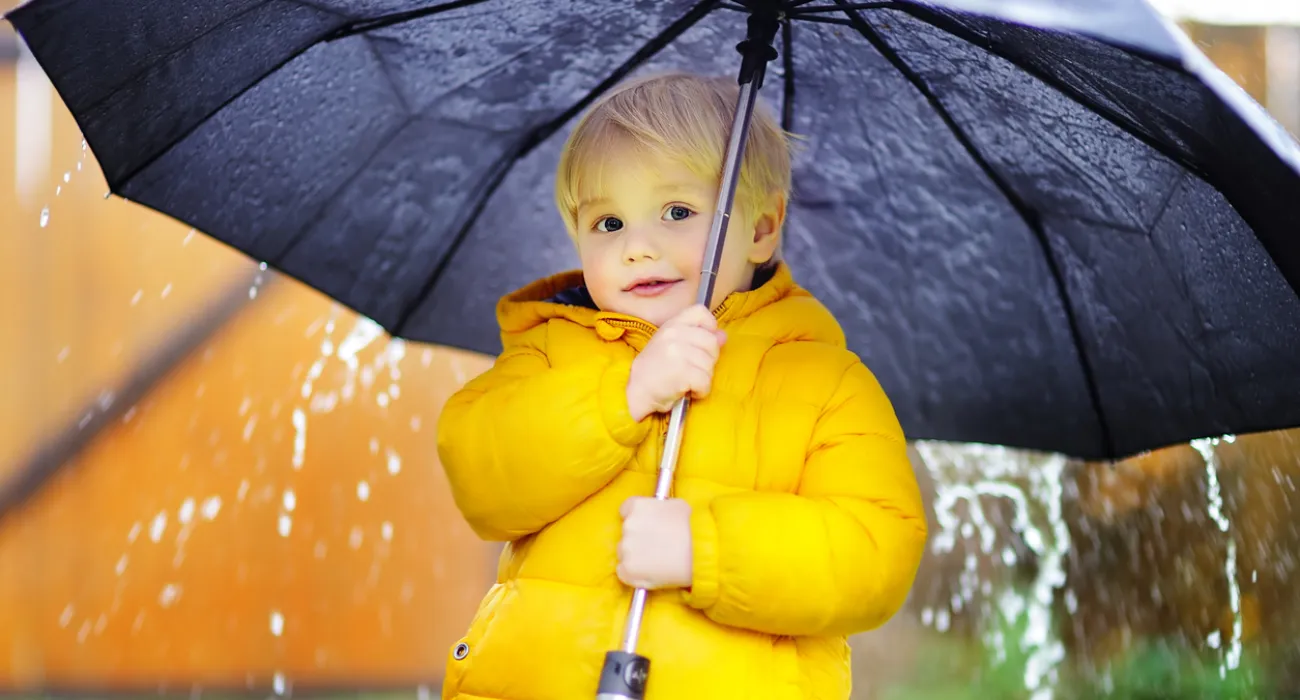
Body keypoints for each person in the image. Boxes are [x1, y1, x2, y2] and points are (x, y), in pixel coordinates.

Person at [435, 71, 927, 700]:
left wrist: (706, 549)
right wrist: (624, 396)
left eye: (676, 212)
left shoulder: (823, 382)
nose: (637, 248)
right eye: (607, 223)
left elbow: (874, 551)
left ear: (759, 229)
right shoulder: (552, 349)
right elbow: (481, 474)